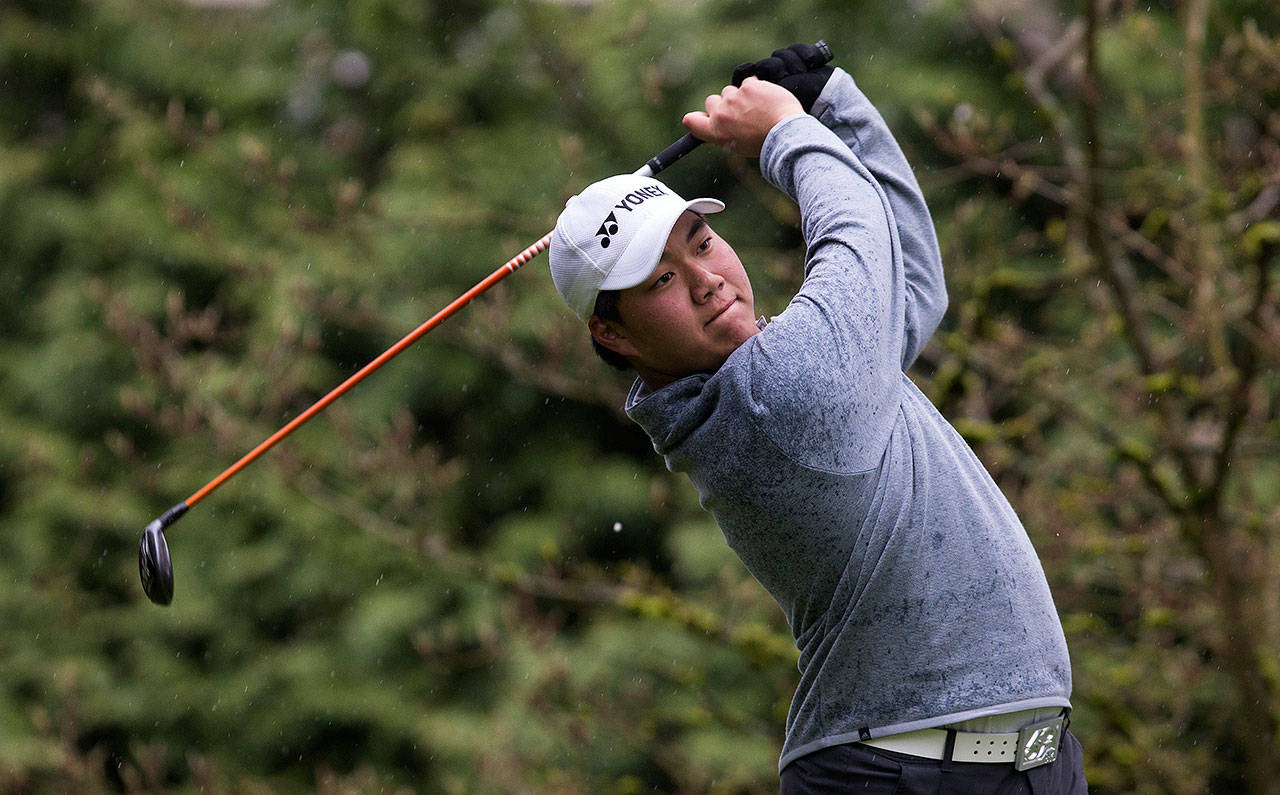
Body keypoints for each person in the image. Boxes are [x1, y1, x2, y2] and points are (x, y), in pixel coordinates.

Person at [547, 45, 1087, 794]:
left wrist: (834, 104)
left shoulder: (813, 366)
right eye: (664, 279)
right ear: (615, 334)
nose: (707, 281)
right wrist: (787, 132)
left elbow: (909, 280)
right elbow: (855, 243)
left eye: (702, 242)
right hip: (896, 775)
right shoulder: (775, 396)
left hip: (1027, 764)